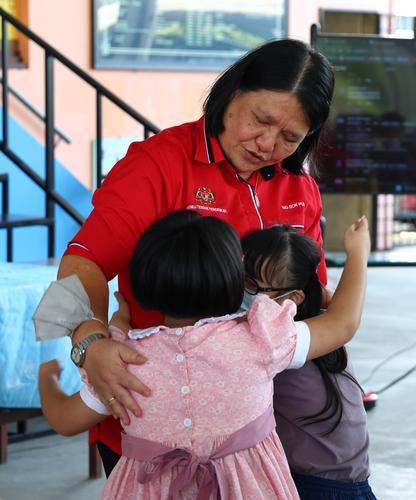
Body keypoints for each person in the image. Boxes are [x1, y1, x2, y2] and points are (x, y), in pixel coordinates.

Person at [44, 38, 335, 474]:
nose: (266, 144)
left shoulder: (300, 189)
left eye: (290, 138)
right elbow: (79, 265)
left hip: (261, 434)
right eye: (261, 120)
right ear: (233, 91)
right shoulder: (157, 164)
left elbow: (313, 299)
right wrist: (90, 344)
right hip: (148, 427)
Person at [38, 210, 370, 499]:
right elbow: (342, 323)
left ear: (143, 282)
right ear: (232, 280)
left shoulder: (124, 361)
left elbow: (66, 420)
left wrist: (47, 378)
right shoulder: (261, 339)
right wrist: (358, 252)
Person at [242, 224, 376, 499]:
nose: (245, 294)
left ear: (294, 298)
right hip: (347, 481)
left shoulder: (273, 341)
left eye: (255, 286)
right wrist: (358, 248)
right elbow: (340, 310)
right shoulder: (319, 321)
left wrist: (359, 252)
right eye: (243, 281)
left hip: (316, 487)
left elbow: (345, 318)